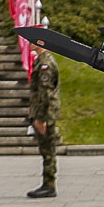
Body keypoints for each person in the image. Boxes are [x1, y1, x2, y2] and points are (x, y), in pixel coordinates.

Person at [27, 39, 60, 198]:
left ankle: (49, 185)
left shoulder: (45, 63)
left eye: (32, 41)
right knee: (46, 149)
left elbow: (45, 93)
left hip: (46, 114)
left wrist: (41, 118)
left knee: (48, 150)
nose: (29, 43)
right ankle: (48, 183)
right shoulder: (41, 61)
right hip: (45, 113)